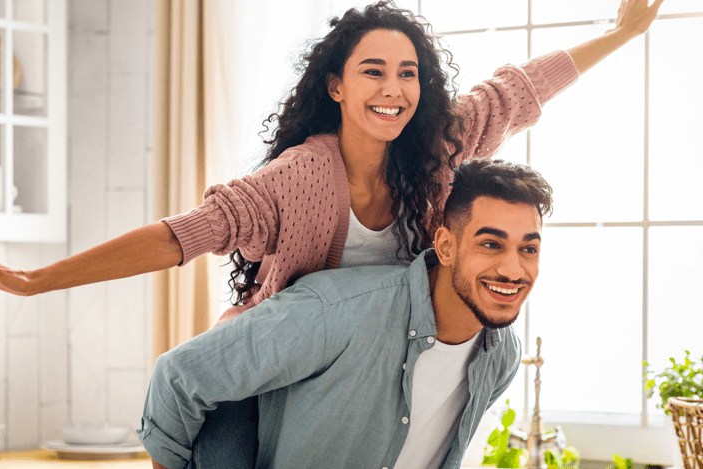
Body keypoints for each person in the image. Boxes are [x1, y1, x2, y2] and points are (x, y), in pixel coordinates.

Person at [0, 0, 667, 468]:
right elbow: (177, 237)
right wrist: (35, 281)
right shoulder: (300, 177)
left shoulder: (438, 149)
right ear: (337, 86)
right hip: (253, 388)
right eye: (373, 70)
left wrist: (622, 32)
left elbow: (521, 89)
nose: (394, 88)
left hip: (349, 387)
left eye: (408, 72)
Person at [140, 157, 552, 469]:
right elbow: (179, 376)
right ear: (444, 246)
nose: (513, 270)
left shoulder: (501, 355)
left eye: (528, 249)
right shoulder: (337, 312)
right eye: (491, 244)